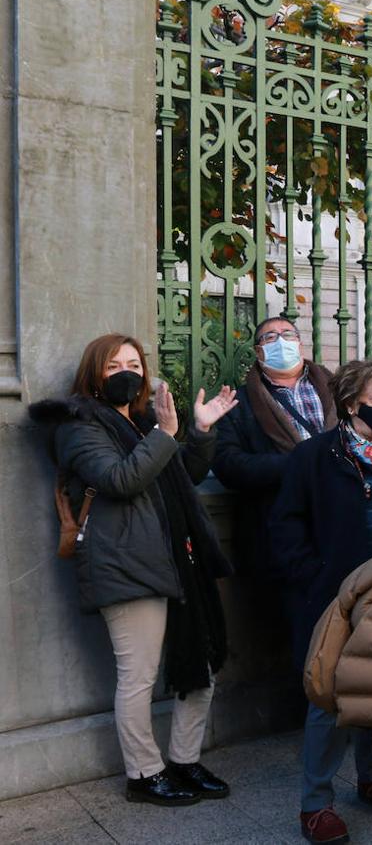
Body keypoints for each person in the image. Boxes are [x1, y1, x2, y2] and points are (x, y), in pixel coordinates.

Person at [30, 334, 236, 807]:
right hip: (124, 562)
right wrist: (165, 434)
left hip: (176, 558)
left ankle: (185, 760)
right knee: (139, 675)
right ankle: (144, 773)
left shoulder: (144, 423)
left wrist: (199, 433)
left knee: (199, 666)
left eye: (135, 363)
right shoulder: (76, 426)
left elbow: (183, 473)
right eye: (114, 365)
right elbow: (121, 481)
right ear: (94, 374)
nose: (128, 371)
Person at [270, 360, 372, 843]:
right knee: (328, 698)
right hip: (336, 598)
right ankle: (316, 802)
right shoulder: (316, 456)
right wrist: (316, 580)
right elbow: (286, 526)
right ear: (351, 405)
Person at [212, 317, 336, 580]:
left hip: (338, 520)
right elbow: (227, 463)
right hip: (279, 528)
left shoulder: (338, 389)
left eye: (288, 334)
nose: (281, 341)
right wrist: (294, 464)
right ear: (258, 351)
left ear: (300, 345)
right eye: (270, 337)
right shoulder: (239, 403)